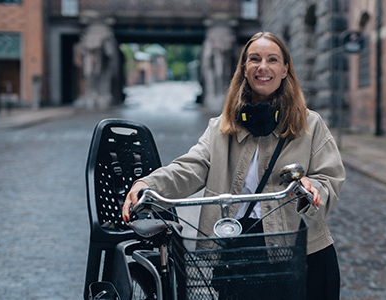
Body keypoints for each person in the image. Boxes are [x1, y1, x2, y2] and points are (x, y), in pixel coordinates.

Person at [122, 31, 345, 300]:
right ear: (245, 68)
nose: (263, 67)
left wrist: (313, 186)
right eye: (255, 59)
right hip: (238, 253)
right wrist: (149, 184)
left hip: (303, 252)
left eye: (272, 60)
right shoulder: (220, 128)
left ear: (285, 69)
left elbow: (329, 179)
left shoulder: (310, 125)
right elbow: (192, 166)